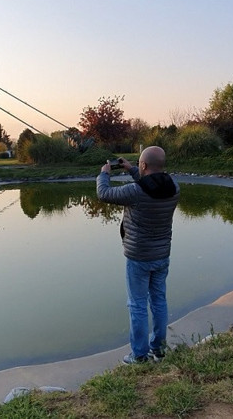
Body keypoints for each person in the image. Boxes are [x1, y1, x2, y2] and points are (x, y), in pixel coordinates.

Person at [97, 146, 180, 364]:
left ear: (144, 165)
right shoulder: (174, 187)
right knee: (159, 301)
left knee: (137, 305)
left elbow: (104, 194)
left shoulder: (134, 192)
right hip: (162, 255)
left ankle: (139, 355)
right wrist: (133, 169)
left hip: (139, 257)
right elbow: (151, 185)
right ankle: (159, 350)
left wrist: (104, 173)